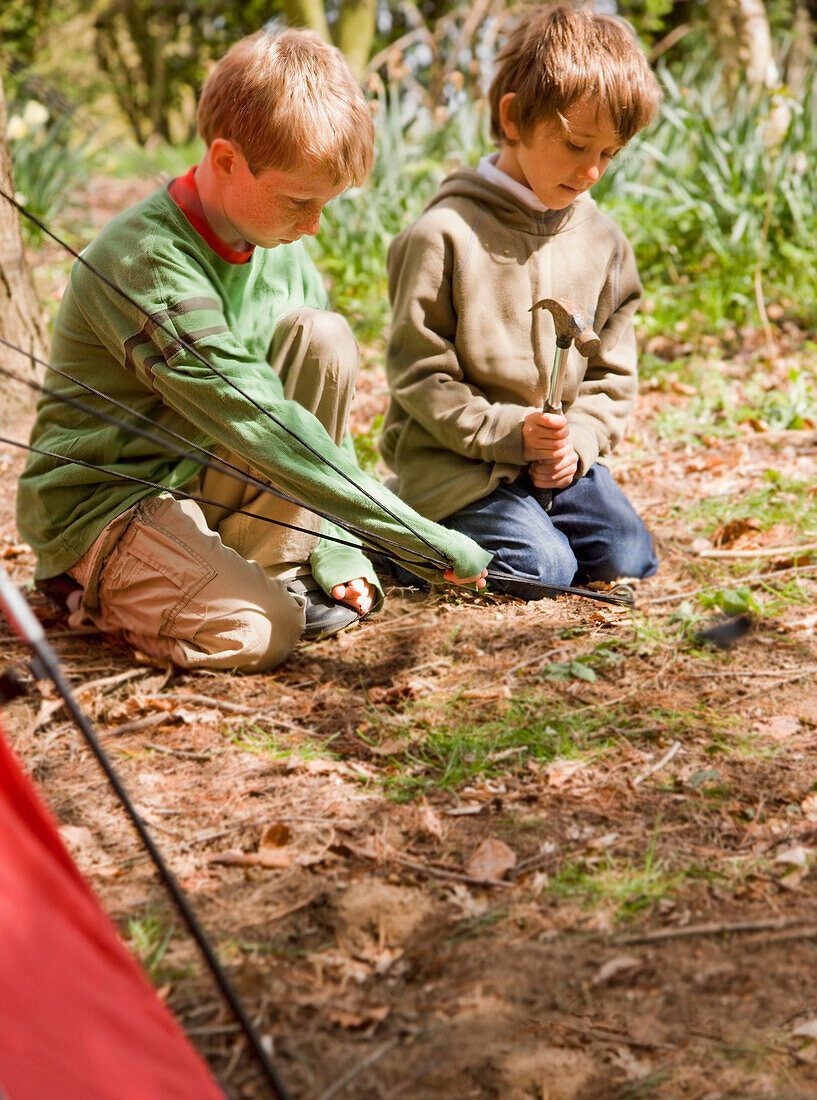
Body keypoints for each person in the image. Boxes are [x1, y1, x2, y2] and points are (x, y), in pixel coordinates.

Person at [16, 28, 490, 673]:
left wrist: (339, 547)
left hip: (210, 474)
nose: (313, 224)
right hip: (112, 506)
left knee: (324, 336)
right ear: (226, 159)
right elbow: (263, 421)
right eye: (300, 200)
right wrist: (418, 539)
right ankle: (86, 596)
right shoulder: (148, 259)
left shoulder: (280, 249)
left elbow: (317, 429)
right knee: (260, 634)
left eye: (325, 204)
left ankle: (267, 569)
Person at [380, 5, 662, 598]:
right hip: (457, 466)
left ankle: (537, 525)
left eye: (609, 154)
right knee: (544, 569)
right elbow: (420, 375)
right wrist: (509, 432)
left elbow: (612, 374)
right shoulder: (445, 236)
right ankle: (404, 541)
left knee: (629, 554)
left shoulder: (603, 244)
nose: (591, 170)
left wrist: (577, 444)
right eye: (576, 144)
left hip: (551, 467)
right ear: (513, 118)